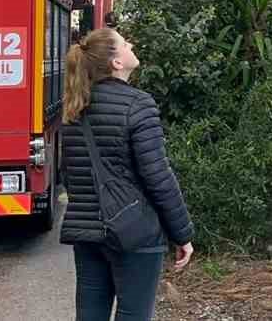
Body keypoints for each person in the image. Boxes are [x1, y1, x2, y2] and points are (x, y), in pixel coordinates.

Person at [60, 27, 194, 321]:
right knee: (134, 315)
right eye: (123, 43)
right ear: (116, 63)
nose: (131, 43)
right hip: (135, 234)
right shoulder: (138, 104)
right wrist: (182, 234)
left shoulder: (74, 107)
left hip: (87, 232)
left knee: (89, 315)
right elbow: (158, 176)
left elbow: (67, 174)